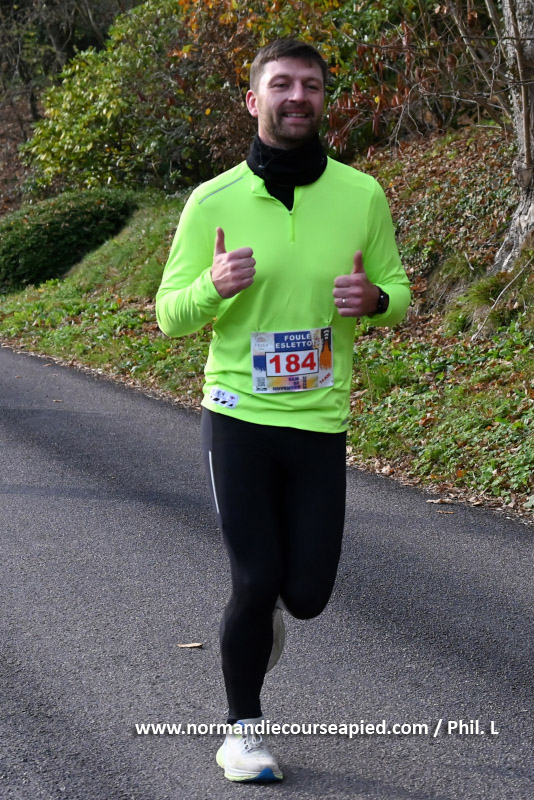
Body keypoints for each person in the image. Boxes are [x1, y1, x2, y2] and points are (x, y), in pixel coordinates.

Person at [156, 38, 411, 783]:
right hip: (238, 413)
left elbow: (398, 293)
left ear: (324, 99)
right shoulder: (213, 202)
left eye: (311, 85)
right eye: (281, 84)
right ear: (253, 100)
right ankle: (243, 733)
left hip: (319, 421)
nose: (298, 96)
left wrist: (375, 300)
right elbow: (169, 315)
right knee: (256, 575)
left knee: (306, 596)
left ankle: (266, 611)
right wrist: (211, 287)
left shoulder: (362, 195)